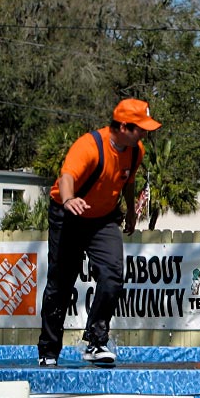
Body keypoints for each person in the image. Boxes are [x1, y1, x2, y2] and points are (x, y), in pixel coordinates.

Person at [38, 98, 160, 367]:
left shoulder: (135, 150)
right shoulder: (89, 146)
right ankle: (48, 350)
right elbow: (67, 176)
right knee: (60, 284)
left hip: (103, 219)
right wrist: (69, 200)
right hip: (68, 214)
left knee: (113, 275)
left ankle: (96, 341)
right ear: (124, 127)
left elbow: (127, 180)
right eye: (141, 128)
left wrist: (130, 211)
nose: (145, 133)